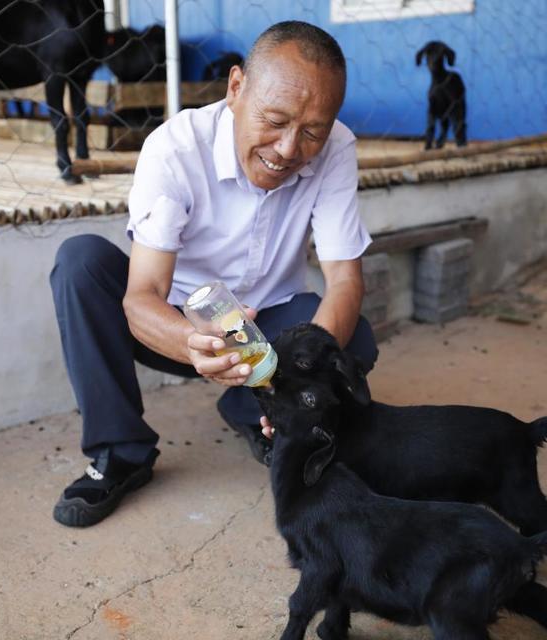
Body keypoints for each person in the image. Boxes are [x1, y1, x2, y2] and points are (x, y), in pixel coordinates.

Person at [49, 20, 378, 528]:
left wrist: (298, 380)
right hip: (179, 326)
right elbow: (142, 296)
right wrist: (193, 343)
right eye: (275, 120)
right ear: (236, 87)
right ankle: (122, 453)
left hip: (267, 335)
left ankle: (256, 410)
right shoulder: (175, 149)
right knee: (81, 263)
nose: (289, 149)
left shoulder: (336, 147)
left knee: (350, 340)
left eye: (311, 130)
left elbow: (345, 282)